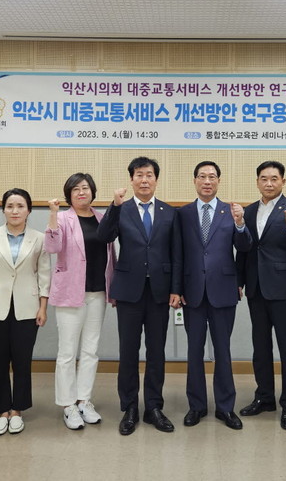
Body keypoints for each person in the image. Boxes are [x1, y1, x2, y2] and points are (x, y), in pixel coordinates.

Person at [97, 156, 182, 435]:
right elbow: (104, 236)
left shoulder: (170, 212)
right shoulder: (121, 209)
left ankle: (154, 407)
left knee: (157, 351)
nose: (144, 180)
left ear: (156, 179)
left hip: (160, 291)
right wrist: (114, 205)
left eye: (149, 175)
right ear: (131, 179)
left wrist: (176, 289)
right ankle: (130, 407)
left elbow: (177, 254)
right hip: (129, 290)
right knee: (128, 351)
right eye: (139, 175)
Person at [0, 188, 50, 436]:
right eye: (10, 206)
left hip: (28, 307)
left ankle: (18, 411)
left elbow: (44, 275)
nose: (15, 211)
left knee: (23, 361)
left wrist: (43, 307)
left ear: (29, 210)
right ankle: (2, 411)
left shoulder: (39, 238)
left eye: (20, 206)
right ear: (3, 209)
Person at [177, 161, 252, 430]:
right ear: (194, 181)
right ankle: (196, 406)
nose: (207, 181)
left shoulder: (231, 211)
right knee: (194, 351)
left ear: (219, 181)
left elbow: (244, 248)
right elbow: (178, 254)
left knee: (223, 350)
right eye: (202, 176)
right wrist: (177, 289)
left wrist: (241, 223)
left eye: (212, 177)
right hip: (193, 293)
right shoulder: (182, 213)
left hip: (223, 290)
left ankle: (225, 407)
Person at [236, 160, 286, 430]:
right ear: (257, 182)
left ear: (283, 182)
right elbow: (244, 250)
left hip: (284, 288)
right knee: (261, 346)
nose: (269, 183)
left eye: (274, 178)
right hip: (256, 288)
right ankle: (264, 397)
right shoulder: (249, 211)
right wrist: (239, 281)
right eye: (264, 179)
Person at [44, 173, 115, 431]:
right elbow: (52, 247)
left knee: (90, 350)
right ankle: (68, 405)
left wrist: (113, 288)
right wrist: (53, 215)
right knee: (67, 352)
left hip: (98, 292)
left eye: (85, 188)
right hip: (70, 292)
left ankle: (84, 400)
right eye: (75, 189)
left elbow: (111, 254)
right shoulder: (63, 218)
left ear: (92, 191)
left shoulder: (102, 218)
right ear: (69, 195)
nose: (81, 192)